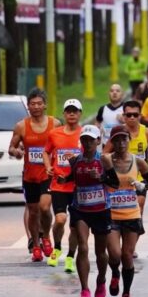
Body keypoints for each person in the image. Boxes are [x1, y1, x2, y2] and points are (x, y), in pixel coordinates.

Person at [103, 124, 148, 297]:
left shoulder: (138, 161)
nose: (120, 143)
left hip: (131, 214)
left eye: (124, 139)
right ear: (112, 142)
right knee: (115, 254)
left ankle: (126, 293)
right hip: (111, 214)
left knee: (127, 254)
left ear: (129, 140)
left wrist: (142, 186)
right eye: (116, 140)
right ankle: (115, 274)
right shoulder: (106, 160)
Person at [7, 88, 57, 261]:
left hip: (48, 174)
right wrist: (17, 152)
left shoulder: (54, 124)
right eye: (32, 104)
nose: (36, 107)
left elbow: (63, 143)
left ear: (45, 105)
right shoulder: (21, 126)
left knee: (45, 207)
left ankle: (46, 237)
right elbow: (11, 148)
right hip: (30, 176)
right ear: (28, 106)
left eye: (39, 103)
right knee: (33, 211)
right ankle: (36, 245)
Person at [63, 125, 110, 297]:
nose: (88, 143)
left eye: (91, 140)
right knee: (82, 247)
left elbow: (113, 182)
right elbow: (71, 178)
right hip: (80, 209)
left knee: (101, 252)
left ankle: (101, 280)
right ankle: (84, 289)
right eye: (84, 140)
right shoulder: (76, 161)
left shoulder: (104, 160)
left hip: (101, 210)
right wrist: (62, 179)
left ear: (98, 141)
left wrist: (100, 177)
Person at [43, 99, 85, 272]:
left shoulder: (85, 135)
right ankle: (57, 247)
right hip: (59, 185)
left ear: (80, 113)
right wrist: (47, 166)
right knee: (60, 219)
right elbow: (46, 151)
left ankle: (70, 256)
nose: (72, 114)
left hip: (78, 186)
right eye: (68, 111)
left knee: (75, 225)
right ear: (64, 114)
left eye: (75, 111)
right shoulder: (55, 134)